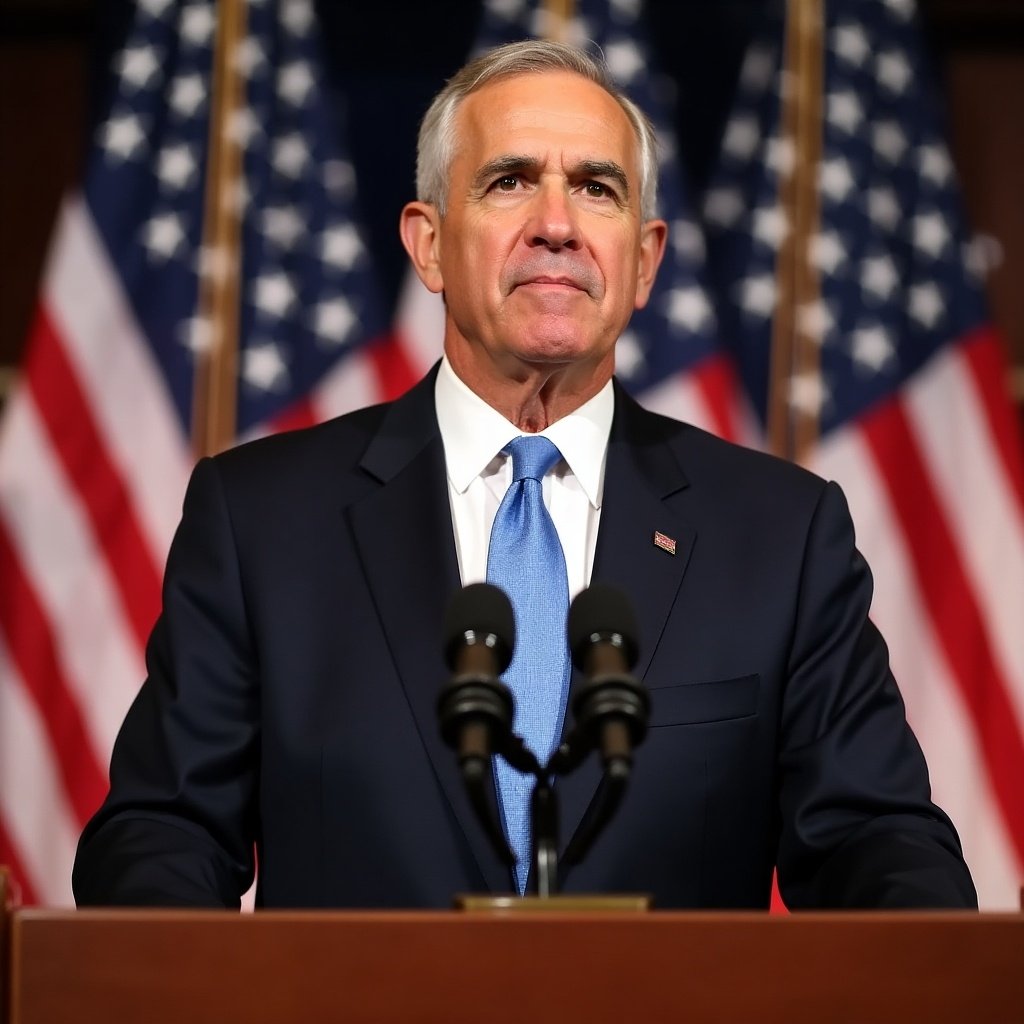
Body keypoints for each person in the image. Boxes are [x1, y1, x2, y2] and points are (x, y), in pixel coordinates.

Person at [73, 40, 976, 910]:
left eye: (596, 188)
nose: (556, 223)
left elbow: (875, 840)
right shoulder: (262, 520)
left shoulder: (780, 536)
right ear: (427, 245)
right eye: (510, 181)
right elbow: (163, 833)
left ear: (645, 260)